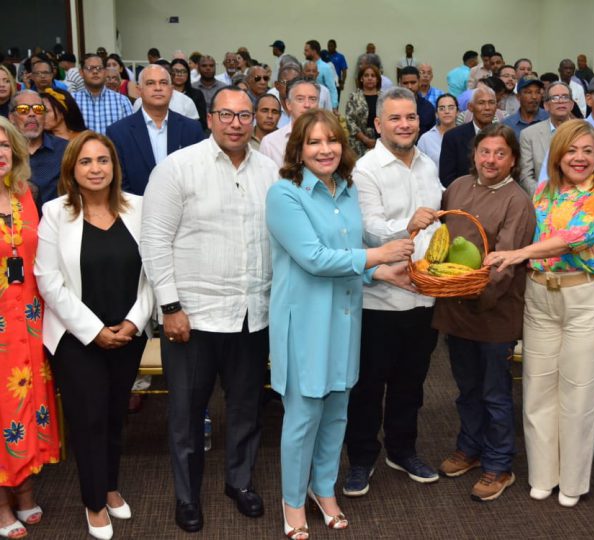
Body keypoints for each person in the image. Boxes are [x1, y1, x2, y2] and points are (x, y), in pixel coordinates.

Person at [266, 109, 415, 538]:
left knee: (336, 412)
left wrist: (378, 274)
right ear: (299, 149)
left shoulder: (347, 190)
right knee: (303, 417)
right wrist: (378, 257)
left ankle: (323, 489)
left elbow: (345, 253)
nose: (324, 149)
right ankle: (292, 503)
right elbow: (313, 258)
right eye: (313, 142)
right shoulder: (285, 194)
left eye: (331, 140)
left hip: (346, 317)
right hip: (306, 323)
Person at [141, 87, 278, 533]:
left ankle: (239, 483)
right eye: (226, 114)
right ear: (210, 118)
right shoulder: (178, 168)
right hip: (193, 319)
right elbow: (155, 242)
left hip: (251, 315)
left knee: (244, 409)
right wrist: (171, 307)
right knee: (185, 414)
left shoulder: (270, 171)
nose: (236, 123)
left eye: (244, 115)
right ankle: (187, 496)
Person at [485, 119, 594, 508]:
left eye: (587, 151)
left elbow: (573, 238)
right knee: (537, 390)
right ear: (557, 154)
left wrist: (519, 254)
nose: (579, 158)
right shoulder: (543, 193)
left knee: (579, 394)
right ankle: (544, 475)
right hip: (541, 298)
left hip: (586, 300)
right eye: (571, 150)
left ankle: (573, 483)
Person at [35, 130, 152, 540]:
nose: (95, 168)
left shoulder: (139, 208)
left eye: (103, 160)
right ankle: (93, 502)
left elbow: (154, 273)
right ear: (71, 169)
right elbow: (48, 281)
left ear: (115, 166)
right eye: (85, 162)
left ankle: (109, 484)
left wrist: (135, 322)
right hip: (74, 337)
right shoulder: (54, 212)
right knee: (88, 417)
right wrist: (94, 330)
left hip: (128, 332)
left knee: (116, 413)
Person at [343, 87, 444, 497]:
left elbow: (437, 226)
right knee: (368, 386)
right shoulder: (365, 169)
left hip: (424, 296)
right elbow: (369, 229)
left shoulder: (427, 164)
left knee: (412, 383)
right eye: (396, 118)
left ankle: (402, 450)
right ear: (378, 125)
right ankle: (362, 458)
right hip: (380, 301)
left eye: (411, 118)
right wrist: (410, 225)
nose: (405, 125)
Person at [432, 124, 535, 502]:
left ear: (512, 159)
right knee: (466, 389)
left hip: (494, 312)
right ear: (474, 154)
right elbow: (442, 242)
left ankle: (499, 464)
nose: (490, 160)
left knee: (495, 393)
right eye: (485, 152)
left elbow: (504, 265)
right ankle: (470, 449)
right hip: (455, 310)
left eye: (500, 154)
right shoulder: (457, 187)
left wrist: (474, 296)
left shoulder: (517, 201)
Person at [0, 117, 60, 540]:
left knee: (26, 407)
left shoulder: (24, 194)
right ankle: (2, 503)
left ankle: (24, 489)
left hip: (30, 321)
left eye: (4, 144)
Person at [106, 64, 205, 195]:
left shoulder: (192, 129)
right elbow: (118, 182)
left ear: (171, 90)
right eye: (150, 83)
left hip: (184, 210)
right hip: (136, 210)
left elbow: (200, 176)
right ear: (139, 90)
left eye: (163, 83)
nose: (158, 88)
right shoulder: (118, 132)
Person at [10, 90, 69, 206]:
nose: (32, 114)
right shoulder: (4, 152)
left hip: (56, 221)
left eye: (38, 109)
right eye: (23, 109)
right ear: (11, 117)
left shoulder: (65, 149)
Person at [519, 82, 574, 195]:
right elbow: (525, 176)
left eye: (565, 97)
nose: (560, 101)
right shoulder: (529, 134)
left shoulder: (585, 132)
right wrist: (545, 197)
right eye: (554, 98)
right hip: (542, 201)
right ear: (546, 106)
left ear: (571, 104)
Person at [440, 85, 497, 187]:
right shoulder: (453, 137)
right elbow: (447, 179)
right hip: (463, 198)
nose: (487, 108)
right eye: (481, 103)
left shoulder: (504, 136)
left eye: (491, 103)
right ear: (470, 107)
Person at [261, 79, 320, 167]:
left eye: (312, 99)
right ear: (288, 104)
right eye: (300, 99)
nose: (307, 105)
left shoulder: (331, 140)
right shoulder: (270, 142)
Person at [73, 54, 133, 134]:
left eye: (99, 68)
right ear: (81, 72)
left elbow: (131, 133)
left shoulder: (122, 101)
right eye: (90, 68)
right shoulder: (72, 100)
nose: (95, 72)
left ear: (105, 72)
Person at [345, 64, 381, 158]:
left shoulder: (384, 97)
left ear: (377, 79)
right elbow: (350, 120)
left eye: (373, 76)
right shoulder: (354, 97)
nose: (370, 78)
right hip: (358, 143)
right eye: (366, 75)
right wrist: (365, 139)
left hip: (380, 143)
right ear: (361, 79)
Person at [417, 94, 458, 167]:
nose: (446, 111)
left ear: (458, 112)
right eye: (442, 108)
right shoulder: (426, 139)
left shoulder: (466, 135)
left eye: (451, 108)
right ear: (436, 114)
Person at [170, 59, 207, 132]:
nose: (179, 74)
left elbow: (202, 122)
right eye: (176, 71)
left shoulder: (196, 94)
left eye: (183, 71)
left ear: (188, 74)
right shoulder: (164, 94)